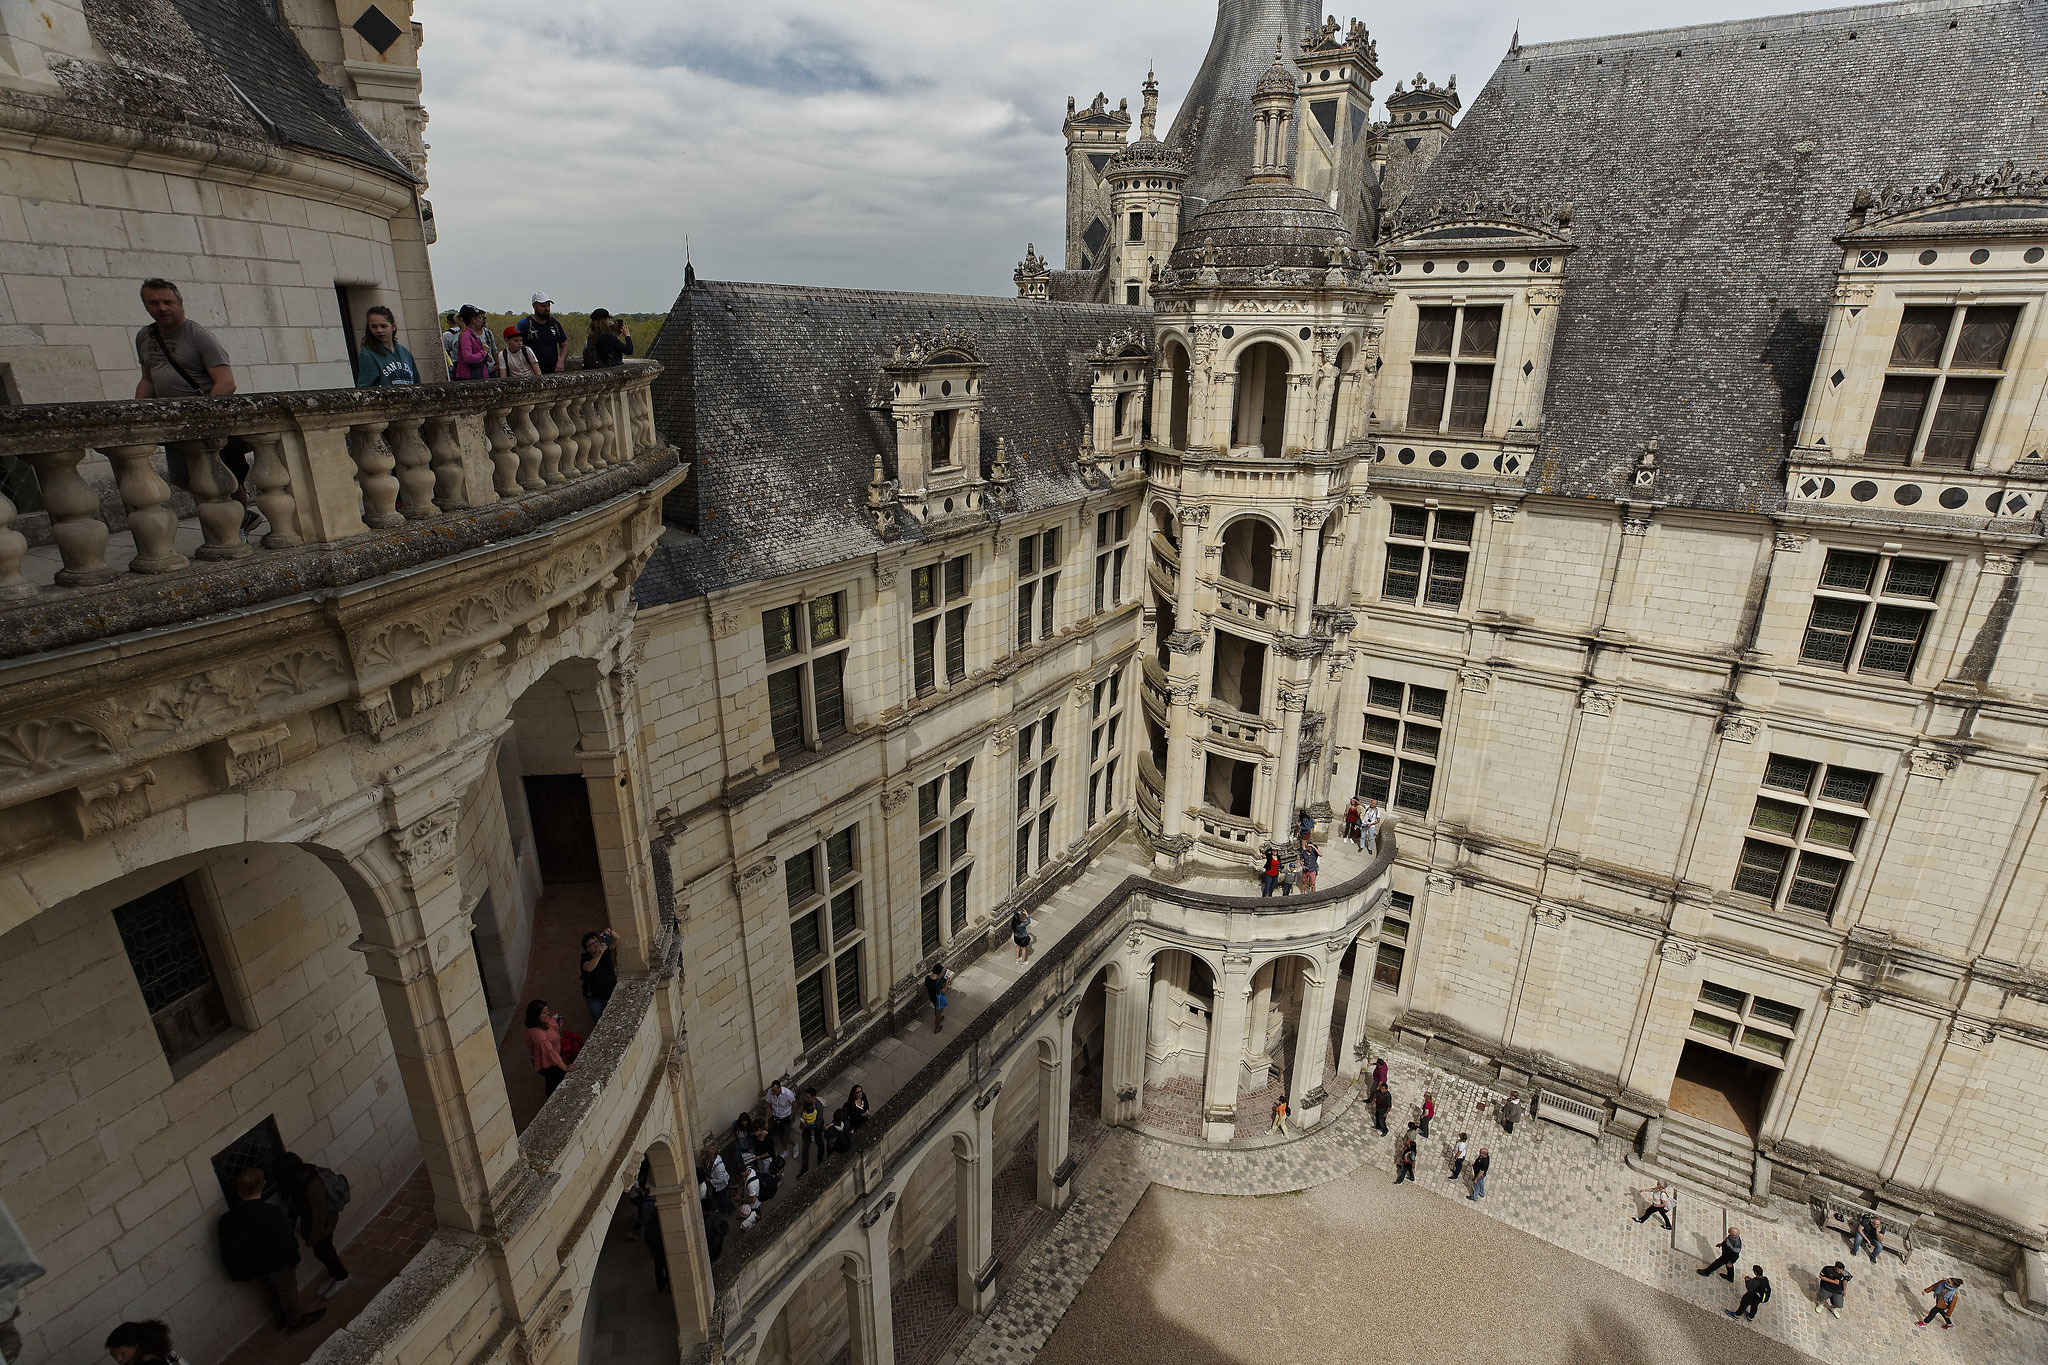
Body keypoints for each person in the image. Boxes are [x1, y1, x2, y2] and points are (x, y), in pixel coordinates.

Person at [135, 278, 257, 529]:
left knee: (221, 476)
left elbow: (226, 382)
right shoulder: (145, 337)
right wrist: (137, 410)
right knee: (182, 477)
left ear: (180, 304)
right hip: (172, 423)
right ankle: (231, 518)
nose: (162, 308)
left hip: (204, 422)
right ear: (146, 306)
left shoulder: (199, 336)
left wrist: (204, 416)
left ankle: (239, 522)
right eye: (154, 303)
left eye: (168, 302)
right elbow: (148, 378)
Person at [218, 1167, 326, 1332]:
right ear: (263, 1185)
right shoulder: (270, 1212)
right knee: (287, 1292)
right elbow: (284, 1240)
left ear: (238, 1190)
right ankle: (295, 1320)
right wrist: (293, 1258)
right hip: (276, 1263)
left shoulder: (227, 1220)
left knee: (269, 1293)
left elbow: (229, 1250)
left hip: (254, 1268)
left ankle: (282, 1319)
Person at [277, 1152, 350, 1299]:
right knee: (324, 1251)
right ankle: (335, 1274)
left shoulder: (311, 1184)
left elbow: (319, 1215)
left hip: (323, 1225)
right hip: (318, 1223)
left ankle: (342, 1276)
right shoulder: (304, 1176)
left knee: (324, 1251)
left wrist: (313, 1237)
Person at [354, 305, 420, 387]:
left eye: (383, 326)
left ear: (393, 327)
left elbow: (417, 383)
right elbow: (365, 388)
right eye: (374, 327)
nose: (379, 330)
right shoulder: (368, 354)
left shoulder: (405, 352)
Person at [526, 999, 569, 1095]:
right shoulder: (537, 1033)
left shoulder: (543, 1021)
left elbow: (552, 1025)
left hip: (553, 1058)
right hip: (549, 1062)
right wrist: (565, 1068)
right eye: (544, 1013)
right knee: (554, 1081)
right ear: (536, 1016)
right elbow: (549, 1053)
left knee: (554, 1080)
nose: (547, 1014)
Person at [519, 292, 570, 373]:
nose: (547, 309)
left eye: (548, 306)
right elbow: (518, 348)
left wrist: (561, 360)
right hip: (532, 372)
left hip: (553, 371)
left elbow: (564, 345)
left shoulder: (554, 324)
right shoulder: (525, 324)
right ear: (534, 306)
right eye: (543, 306)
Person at [106, 1320, 188, 1365]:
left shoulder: (151, 1362)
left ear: (136, 1344)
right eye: (114, 1355)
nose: (118, 1359)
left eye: (123, 1353)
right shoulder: (133, 1357)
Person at [580, 929, 618, 1023]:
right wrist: (600, 953)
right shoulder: (585, 957)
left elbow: (617, 939)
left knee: (615, 1020)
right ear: (587, 949)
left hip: (611, 993)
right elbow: (589, 968)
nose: (596, 945)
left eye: (596, 941)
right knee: (600, 1023)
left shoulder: (605, 951)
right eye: (591, 944)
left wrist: (610, 932)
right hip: (595, 999)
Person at [451, 305, 494, 380]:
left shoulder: (470, 334)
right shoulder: (466, 335)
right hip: (470, 378)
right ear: (474, 320)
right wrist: (483, 352)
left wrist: (485, 356)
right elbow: (468, 358)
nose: (482, 321)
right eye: (480, 318)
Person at [797, 1088, 825, 1174]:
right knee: (805, 1150)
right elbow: (803, 1113)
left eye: (808, 1097)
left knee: (820, 1144)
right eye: (805, 1097)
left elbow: (818, 1124)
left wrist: (807, 1125)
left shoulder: (818, 1107)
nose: (805, 1099)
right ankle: (805, 1168)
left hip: (816, 1130)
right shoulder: (806, 1103)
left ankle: (820, 1159)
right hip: (806, 1130)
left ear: (813, 1097)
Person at [765, 1080, 795, 1156]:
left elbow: (795, 1105)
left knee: (786, 1137)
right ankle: (785, 1149)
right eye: (772, 1090)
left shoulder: (788, 1094)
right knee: (778, 1135)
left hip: (786, 1117)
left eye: (774, 1091)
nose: (773, 1092)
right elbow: (768, 1106)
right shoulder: (770, 1092)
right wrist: (766, 1121)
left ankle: (794, 1144)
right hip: (776, 1116)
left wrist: (791, 1117)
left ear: (779, 1088)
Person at [925, 961, 951, 1032]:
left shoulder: (927, 978)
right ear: (939, 972)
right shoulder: (937, 982)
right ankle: (937, 1027)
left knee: (937, 1009)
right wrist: (947, 983)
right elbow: (943, 991)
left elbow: (927, 986)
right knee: (939, 1011)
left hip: (931, 996)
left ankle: (938, 1018)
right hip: (937, 998)